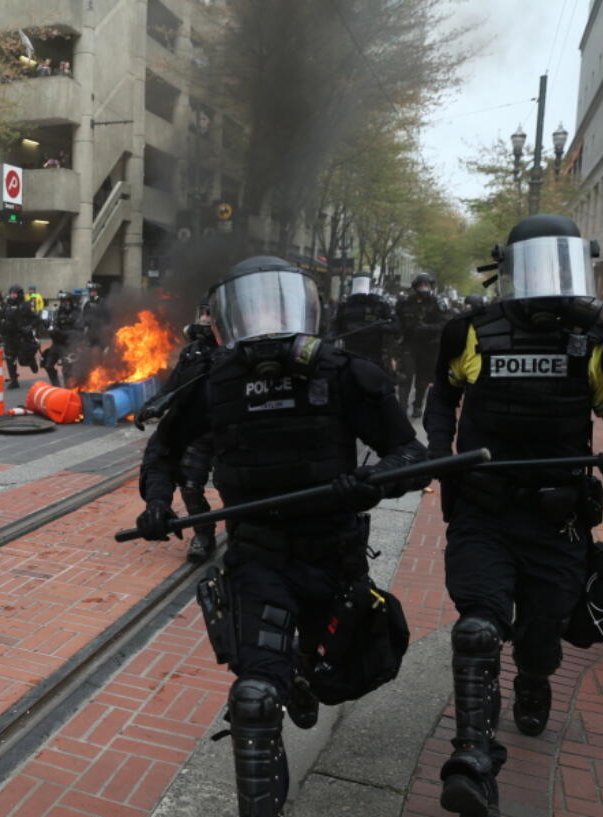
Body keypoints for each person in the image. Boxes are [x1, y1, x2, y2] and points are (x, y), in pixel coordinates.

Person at [136, 257, 427, 817]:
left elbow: (411, 453)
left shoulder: (343, 374)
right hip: (259, 558)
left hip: (334, 555)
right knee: (253, 698)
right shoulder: (215, 384)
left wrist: (372, 481)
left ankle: (301, 674)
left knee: (348, 674)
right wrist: (156, 502)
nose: (266, 326)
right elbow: (165, 450)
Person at [423, 214, 603, 817]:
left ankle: (534, 676)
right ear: (507, 271)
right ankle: (472, 760)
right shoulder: (469, 334)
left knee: (541, 630)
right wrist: (436, 451)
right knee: (477, 626)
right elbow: (443, 394)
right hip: (484, 509)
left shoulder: (600, 344)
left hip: (558, 519)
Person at [135, 299, 220, 562]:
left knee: (240, 484)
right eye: (203, 313)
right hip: (201, 429)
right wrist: (152, 406)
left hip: (235, 428)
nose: (205, 319)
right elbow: (173, 386)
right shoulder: (193, 352)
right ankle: (204, 535)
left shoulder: (237, 350)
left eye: (211, 315)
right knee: (190, 484)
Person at [395, 272, 449, 417]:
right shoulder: (405, 302)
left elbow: (444, 324)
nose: (424, 288)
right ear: (415, 287)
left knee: (422, 379)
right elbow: (396, 321)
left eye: (426, 285)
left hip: (429, 346)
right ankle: (402, 408)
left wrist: (428, 328)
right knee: (405, 377)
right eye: (421, 285)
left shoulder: (438, 303)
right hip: (409, 344)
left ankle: (418, 405)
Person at [334, 274, 400, 377]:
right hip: (350, 352)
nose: (360, 288)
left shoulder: (380, 304)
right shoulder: (346, 305)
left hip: (374, 354)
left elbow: (396, 326)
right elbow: (335, 327)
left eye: (363, 285)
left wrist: (381, 327)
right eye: (358, 285)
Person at [0, 284, 39, 389]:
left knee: (23, 360)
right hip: (9, 336)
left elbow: (36, 318)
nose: (12, 296)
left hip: (22, 336)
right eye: (11, 294)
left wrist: (29, 327)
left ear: (19, 294)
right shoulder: (6, 306)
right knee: (9, 358)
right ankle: (14, 380)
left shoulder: (25, 305)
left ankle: (31, 361)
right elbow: (2, 319)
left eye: (14, 294)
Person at [41, 291, 81, 387]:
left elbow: (79, 332)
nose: (64, 303)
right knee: (48, 365)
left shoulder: (76, 313)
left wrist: (63, 333)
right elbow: (52, 325)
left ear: (71, 301)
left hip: (69, 345)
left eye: (66, 301)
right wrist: (51, 329)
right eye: (62, 301)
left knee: (67, 370)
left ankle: (68, 390)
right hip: (57, 344)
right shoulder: (57, 312)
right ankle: (56, 385)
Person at [81, 281, 111, 350]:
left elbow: (107, 318)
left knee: (101, 351)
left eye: (93, 291)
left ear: (98, 292)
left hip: (101, 332)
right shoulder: (87, 304)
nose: (92, 293)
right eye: (90, 291)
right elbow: (84, 317)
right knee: (88, 351)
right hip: (91, 333)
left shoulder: (103, 303)